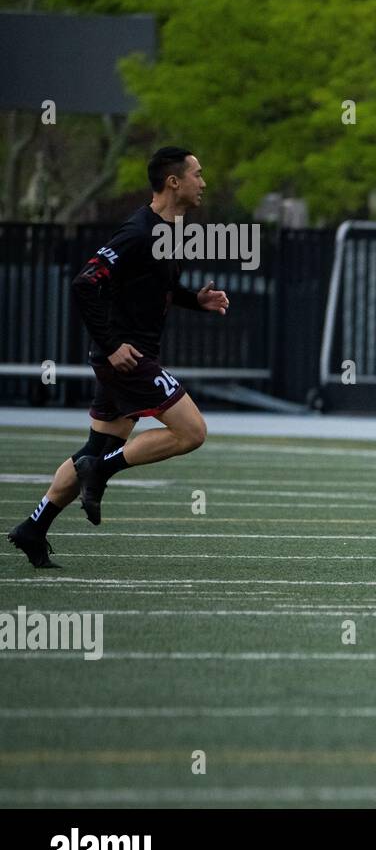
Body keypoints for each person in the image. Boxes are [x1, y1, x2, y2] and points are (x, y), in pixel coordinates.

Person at [7, 147, 230, 568]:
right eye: (198, 174)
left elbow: (152, 284)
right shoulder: (138, 230)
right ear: (173, 182)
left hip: (129, 355)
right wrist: (110, 345)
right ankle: (101, 470)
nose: (204, 182)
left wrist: (194, 300)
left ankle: (34, 527)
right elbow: (85, 283)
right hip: (126, 358)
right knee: (193, 432)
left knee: (98, 445)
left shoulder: (172, 230)